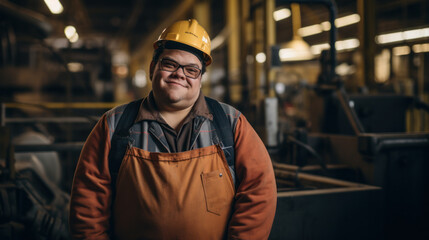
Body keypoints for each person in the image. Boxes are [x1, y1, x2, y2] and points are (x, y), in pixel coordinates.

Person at [69, 19, 277, 240]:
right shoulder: (115, 125)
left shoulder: (230, 123)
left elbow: (259, 190)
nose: (180, 74)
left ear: (200, 79)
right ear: (152, 68)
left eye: (191, 70)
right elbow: (87, 204)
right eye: (170, 64)